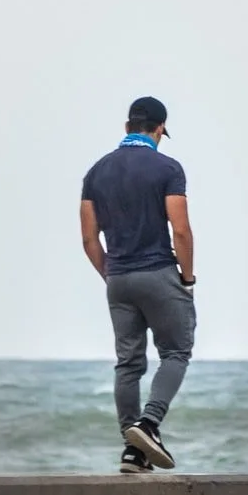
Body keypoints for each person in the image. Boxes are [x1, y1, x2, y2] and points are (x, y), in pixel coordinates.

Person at [80, 96, 195, 474]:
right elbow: (180, 229)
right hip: (159, 272)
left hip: (118, 278)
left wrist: (110, 274)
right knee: (176, 352)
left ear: (127, 127)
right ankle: (149, 423)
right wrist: (187, 278)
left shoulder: (96, 173)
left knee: (128, 363)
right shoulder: (167, 168)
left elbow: (89, 238)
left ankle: (133, 451)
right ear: (160, 129)